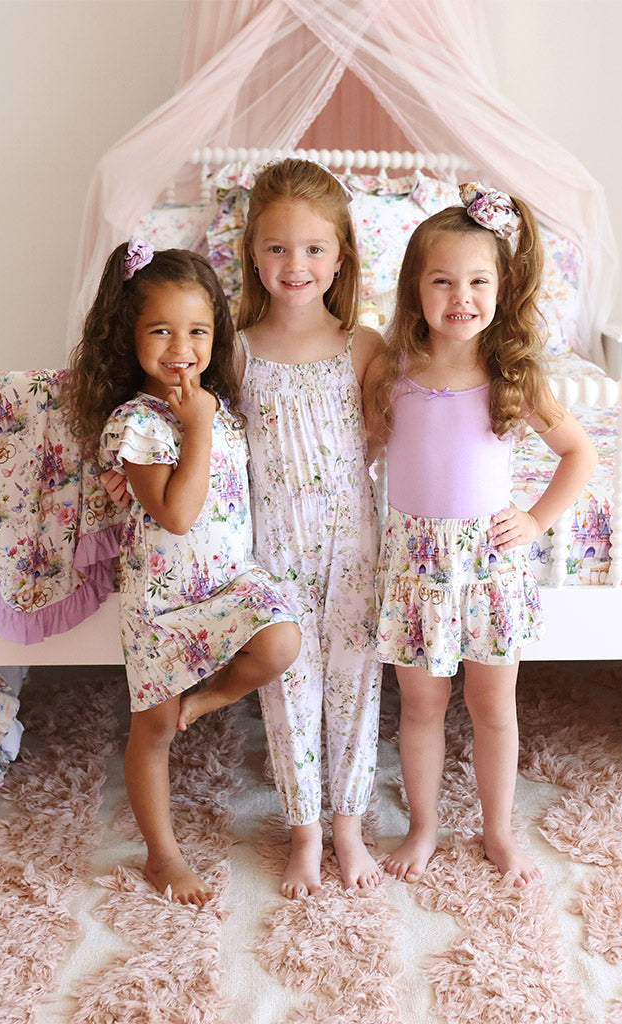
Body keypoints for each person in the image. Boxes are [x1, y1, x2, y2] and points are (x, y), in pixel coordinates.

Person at [363, 184, 598, 887]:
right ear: (415, 289)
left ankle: (498, 830)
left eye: (477, 281)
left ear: (501, 288)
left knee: (493, 707)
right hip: (415, 566)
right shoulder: (393, 372)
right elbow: (367, 452)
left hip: (489, 565)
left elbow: (578, 454)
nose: (459, 296)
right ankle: (424, 827)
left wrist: (534, 518)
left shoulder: (511, 374)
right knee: (423, 706)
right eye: (441, 281)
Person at [63, 242, 301, 907]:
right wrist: (195, 427)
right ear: (130, 336)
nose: (180, 347)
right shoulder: (136, 424)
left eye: (197, 330)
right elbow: (175, 513)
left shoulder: (217, 409)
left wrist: (205, 420)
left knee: (281, 641)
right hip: (163, 600)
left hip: (229, 581)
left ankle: (208, 700)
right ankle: (162, 856)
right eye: (160, 330)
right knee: (156, 729)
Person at [236, 158, 384, 898]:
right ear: (253, 253)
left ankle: (349, 826)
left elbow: (399, 436)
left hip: (353, 547)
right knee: (290, 687)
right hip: (274, 553)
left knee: (356, 683)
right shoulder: (236, 351)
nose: (295, 265)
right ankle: (304, 832)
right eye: (277, 248)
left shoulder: (363, 349)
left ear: (341, 256)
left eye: (314, 249)